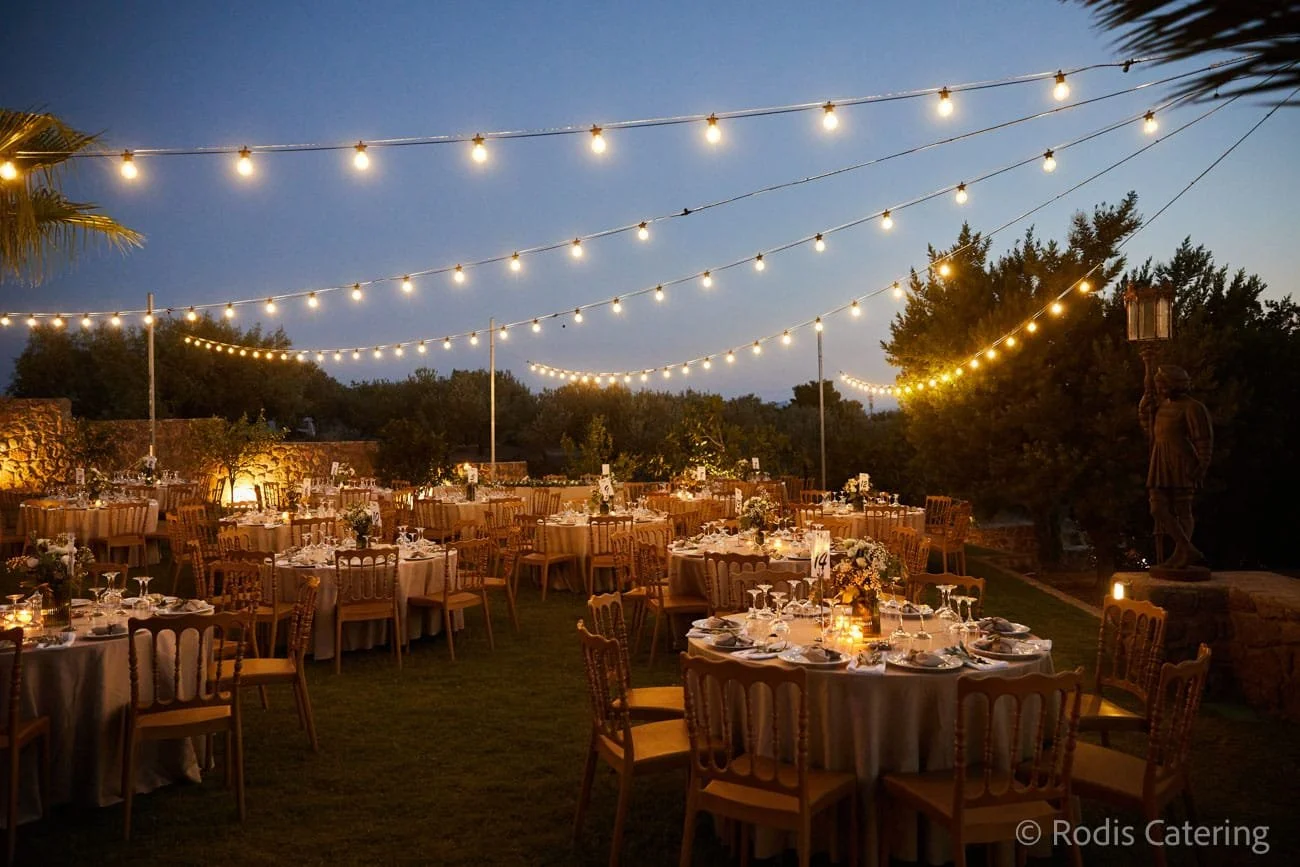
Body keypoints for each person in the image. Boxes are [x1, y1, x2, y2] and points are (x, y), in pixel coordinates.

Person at [1139, 365, 1213, 569]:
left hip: (1181, 460)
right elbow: (1151, 431)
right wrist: (1144, 409)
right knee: (1157, 508)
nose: (1160, 389)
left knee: (1183, 508)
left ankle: (1181, 554)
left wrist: (1202, 464)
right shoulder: (1161, 407)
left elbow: (1203, 439)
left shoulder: (1192, 407)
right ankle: (1186, 548)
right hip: (1160, 458)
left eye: (1162, 384)